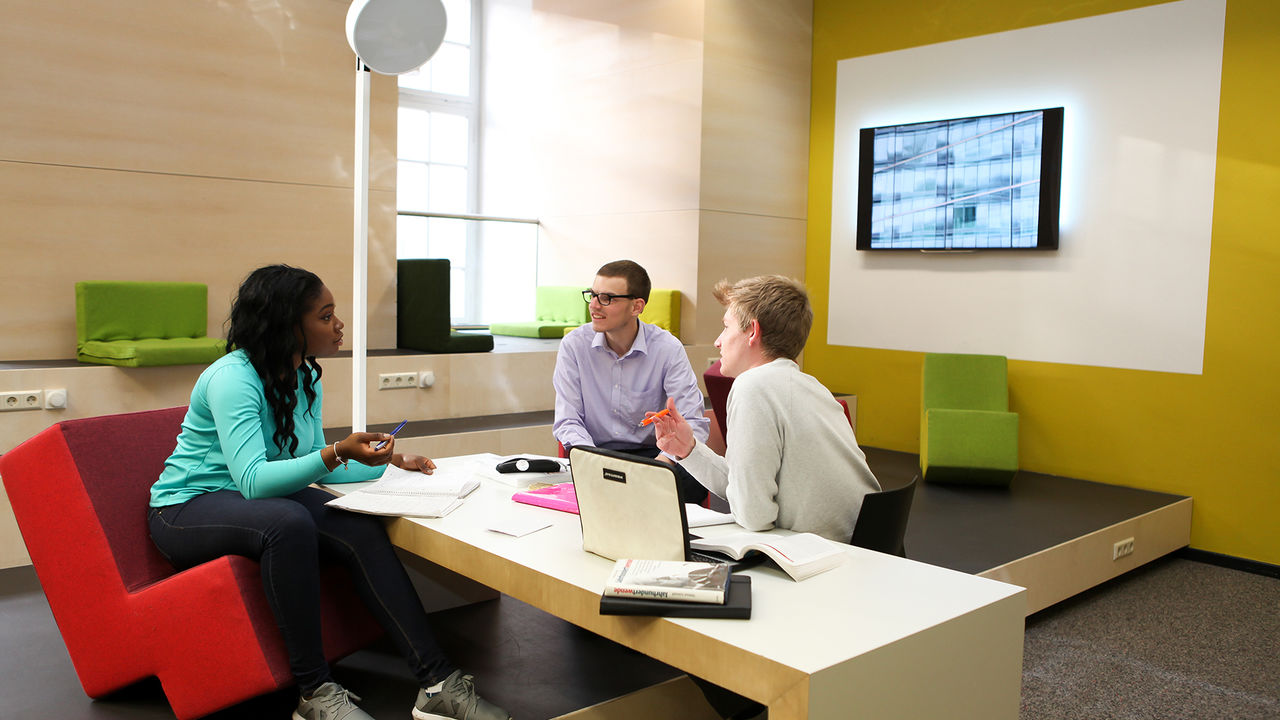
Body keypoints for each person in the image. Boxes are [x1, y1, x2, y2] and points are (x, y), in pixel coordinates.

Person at [147, 265, 510, 720]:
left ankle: (437, 684)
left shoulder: (305, 375)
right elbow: (255, 481)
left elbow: (307, 462)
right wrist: (338, 451)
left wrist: (387, 467)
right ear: (287, 325)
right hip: (186, 508)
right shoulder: (232, 378)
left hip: (252, 501)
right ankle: (314, 693)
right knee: (289, 522)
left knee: (354, 522)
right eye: (325, 316)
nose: (338, 326)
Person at [650, 274, 880, 543]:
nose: (718, 341)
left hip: (818, 559)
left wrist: (746, 502)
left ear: (752, 332)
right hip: (860, 550)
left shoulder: (752, 387)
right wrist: (688, 450)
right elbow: (745, 488)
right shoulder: (810, 385)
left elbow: (754, 515)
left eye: (726, 327)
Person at [552, 259, 710, 504]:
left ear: (637, 306)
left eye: (607, 298)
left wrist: (660, 465)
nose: (594, 305)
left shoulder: (667, 348)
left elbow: (693, 422)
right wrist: (594, 461)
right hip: (597, 451)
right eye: (592, 295)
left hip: (655, 455)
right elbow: (568, 420)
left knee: (689, 482)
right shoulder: (574, 345)